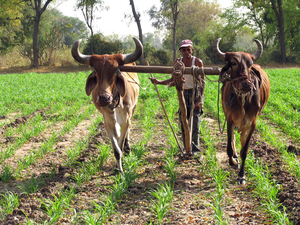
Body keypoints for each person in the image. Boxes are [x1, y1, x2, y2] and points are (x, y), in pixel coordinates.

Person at [150, 39, 205, 153]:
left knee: (195, 122)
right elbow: (173, 79)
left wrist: (199, 99)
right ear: (180, 51)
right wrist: (158, 82)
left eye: (188, 49)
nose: (186, 52)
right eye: (184, 50)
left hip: (195, 93)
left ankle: (194, 150)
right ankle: (186, 148)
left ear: (192, 50)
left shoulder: (198, 62)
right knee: (183, 120)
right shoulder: (177, 62)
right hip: (182, 93)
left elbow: (202, 82)